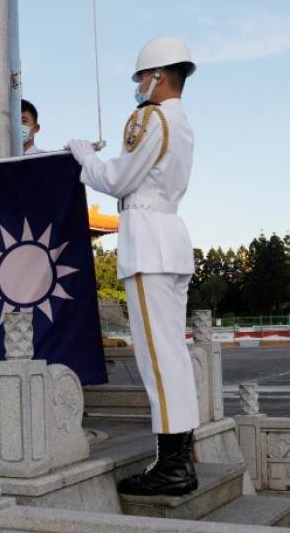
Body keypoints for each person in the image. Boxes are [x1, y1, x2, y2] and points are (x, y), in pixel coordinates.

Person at [67, 36, 199, 497]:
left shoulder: (149, 117)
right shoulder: (182, 123)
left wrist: (86, 157)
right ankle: (180, 456)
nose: (140, 85)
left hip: (148, 244)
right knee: (173, 356)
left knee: (158, 359)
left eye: (142, 76)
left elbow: (118, 178)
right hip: (172, 240)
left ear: (158, 76)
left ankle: (174, 467)